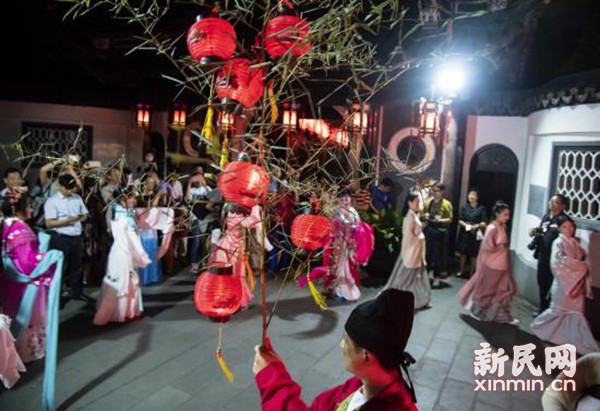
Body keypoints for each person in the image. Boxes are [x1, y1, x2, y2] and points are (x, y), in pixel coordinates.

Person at [253, 289, 418, 410]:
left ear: (366, 355)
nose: (341, 345)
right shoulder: (363, 384)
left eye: (346, 340)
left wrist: (271, 378)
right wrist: (275, 371)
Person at [531, 215, 599, 355]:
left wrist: (582, 263)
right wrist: (581, 266)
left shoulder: (574, 242)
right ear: (560, 229)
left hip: (576, 283)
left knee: (576, 314)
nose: (569, 229)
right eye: (565, 227)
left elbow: (580, 258)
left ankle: (573, 339)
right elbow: (559, 263)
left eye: (571, 226)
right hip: (564, 284)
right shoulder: (558, 242)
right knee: (558, 311)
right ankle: (539, 327)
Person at [0, 191, 55, 362]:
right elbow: (28, 261)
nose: (32, 209)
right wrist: (48, 257)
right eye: (29, 206)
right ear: (19, 209)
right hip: (25, 281)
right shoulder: (21, 229)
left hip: (9, 278)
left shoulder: (5, 226)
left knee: (12, 314)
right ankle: (26, 351)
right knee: (29, 316)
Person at [93, 188, 151, 325]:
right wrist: (141, 253)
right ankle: (121, 312)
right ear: (122, 199)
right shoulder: (123, 216)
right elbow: (131, 237)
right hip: (125, 250)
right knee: (123, 281)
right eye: (131, 198)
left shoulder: (116, 211)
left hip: (119, 250)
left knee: (120, 281)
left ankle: (121, 312)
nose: (134, 200)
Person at [458, 201, 518, 324]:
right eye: (505, 214)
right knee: (486, 290)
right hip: (492, 265)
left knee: (502, 291)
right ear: (497, 214)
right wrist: (500, 248)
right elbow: (487, 247)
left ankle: (501, 316)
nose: (507, 217)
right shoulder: (491, 228)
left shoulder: (503, 226)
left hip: (502, 265)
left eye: (508, 215)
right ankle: (476, 311)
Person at [44, 174, 93, 303]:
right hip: (61, 237)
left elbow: (85, 214)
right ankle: (56, 295)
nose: (70, 191)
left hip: (76, 237)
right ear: (60, 186)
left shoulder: (76, 198)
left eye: (72, 188)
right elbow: (49, 223)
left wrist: (82, 218)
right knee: (60, 267)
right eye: (67, 189)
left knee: (77, 266)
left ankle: (77, 292)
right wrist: (69, 221)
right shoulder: (52, 201)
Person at [384, 192, 431, 309]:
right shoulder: (409, 217)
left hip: (416, 253)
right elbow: (408, 237)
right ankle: (399, 299)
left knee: (417, 278)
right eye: (416, 201)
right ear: (409, 202)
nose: (418, 203)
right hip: (411, 253)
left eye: (418, 201)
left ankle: (420, 299)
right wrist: (420, 237)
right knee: (406, 279)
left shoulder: (414, 215)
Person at [529, 194, 569, 317]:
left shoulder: (564, 220)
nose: (552, 204)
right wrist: (534, 236)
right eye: (551, 201)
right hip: (543, 254)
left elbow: (568, 238)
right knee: (542, 282)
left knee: (553, 284)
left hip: (555, 258)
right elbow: (541, 232)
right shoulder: (546, 217)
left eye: (556, 202)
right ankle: (542, 308)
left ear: (563, 206)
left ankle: (551, 312)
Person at [329, 190, 361, 302]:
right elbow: (335, 226)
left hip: (351, 242)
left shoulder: (354, 211)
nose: (345, 201)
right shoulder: (337, 211)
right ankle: (338, 291)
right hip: (340, 243)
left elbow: (358, 226)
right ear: (339, 200)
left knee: (350, 267)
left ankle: (349, 290)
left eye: (347, 198)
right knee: (340, 267)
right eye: (342, 199)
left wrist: (355, 239)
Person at [422, 182, 453, 288]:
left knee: (439, 255)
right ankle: (425, 276)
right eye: (434, 191)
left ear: (442, 192)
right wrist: (426, 216)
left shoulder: (447, 204)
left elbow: (450, 219)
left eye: (438, 191)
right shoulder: (428, 202)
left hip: (441, 231)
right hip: (429, 230)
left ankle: (437, 277)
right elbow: (423, 215)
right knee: (427, 254)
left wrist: (439, 219)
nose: (435, 193)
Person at [455, 190, 487, 278]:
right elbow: (460, 220)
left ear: (477, 197)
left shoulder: (481, 208)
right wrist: (468, 227)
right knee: (463, 252)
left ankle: (472, 273)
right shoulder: (464, 207)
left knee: (474, 253)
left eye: (473, 195)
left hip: (476, 233)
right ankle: (461, 271)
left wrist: (476, 226)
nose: (471, 197)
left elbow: (484, 222)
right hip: (465, 232)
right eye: (469, 195)